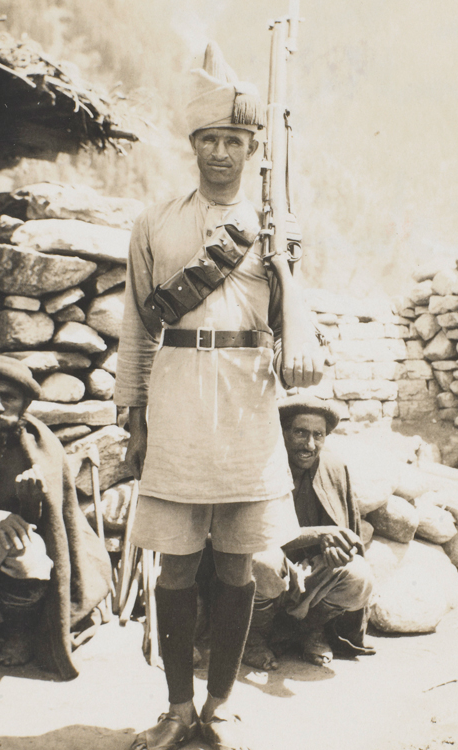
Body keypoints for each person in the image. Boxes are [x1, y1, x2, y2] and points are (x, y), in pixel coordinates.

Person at [115, 42, 323, 750]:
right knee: (175, 563)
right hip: (175, 405)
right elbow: (137, 331)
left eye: (234, 141)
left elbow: (299, 331)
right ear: (194, 145)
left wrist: (287, 277)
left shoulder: (279, 230)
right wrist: (134, 417)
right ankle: (177, 708)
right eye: (209, 139)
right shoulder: (156, 223)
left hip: (247, 406)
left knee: (239, 563)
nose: (221, 154)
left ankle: (222, 707)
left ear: (254, 148)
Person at [0, 355, 111, 679]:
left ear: (24, 404)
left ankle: (18, 632)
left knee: (29, 558)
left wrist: (30, 508)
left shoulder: (39, 448)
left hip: (9, 550)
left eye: (8, 397)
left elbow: (54, 531)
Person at [242, 394, 375, 672]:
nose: (310, 445)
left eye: (318, 435)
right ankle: (254, 638)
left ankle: (310, 630)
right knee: (260, 562)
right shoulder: (260, 466)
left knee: (359, 577)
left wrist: (336, 548)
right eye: (300, 433)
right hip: (271, 575)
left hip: (311, 576)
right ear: (282, 432)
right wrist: (320, 534)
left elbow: (346, 530)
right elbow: (255, 533)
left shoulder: (333, 468)